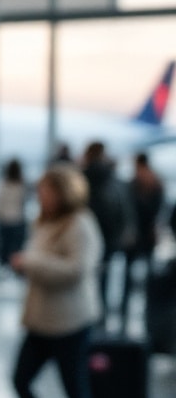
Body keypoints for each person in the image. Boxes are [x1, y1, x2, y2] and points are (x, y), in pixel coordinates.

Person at [8, 164, 102, 398]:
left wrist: (32, 263)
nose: (41, 197)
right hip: (40, 320)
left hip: (70, 322)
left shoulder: (80, 225)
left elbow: (76, 270)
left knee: (74, 389)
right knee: (20, 380)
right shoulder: (45, 222)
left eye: (46, 191)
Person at [80, 141, 135, 330]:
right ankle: (99, 318)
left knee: (89, 280)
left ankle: (92, 319)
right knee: (103, 280)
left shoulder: (83, 177)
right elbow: (121, 207)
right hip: (108, 238)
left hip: (89, 236)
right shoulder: (112, 178)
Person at [121, 152, 164, 328]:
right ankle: (142, 311)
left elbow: (129, 209)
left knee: (133, 276)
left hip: (140, 235)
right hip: (144, 235)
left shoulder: (138, 184)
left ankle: (137, 311)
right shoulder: (154, 183)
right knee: (139, 275)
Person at [0, 158, 29, 268]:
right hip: (18, 221)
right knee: (17, 251)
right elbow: (24, 202)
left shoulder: (3, 185)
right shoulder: (22, 185)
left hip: (5, 221)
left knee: (5, 251)